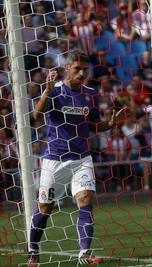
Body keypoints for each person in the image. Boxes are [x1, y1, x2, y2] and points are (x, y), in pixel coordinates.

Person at [27, 51, 127, 266]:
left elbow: (94, 126)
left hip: (82, 158)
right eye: (77, 69)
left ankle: (85, 253)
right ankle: (33, 251)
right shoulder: (55, 91)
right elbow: (35, 117)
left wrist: (111, 123)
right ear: (67, 69)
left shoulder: (90, 93)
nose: (82, 73)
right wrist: (46, 92)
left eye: (85, 69)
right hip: (54, 158)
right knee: (45, 208)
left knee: (85, 199)